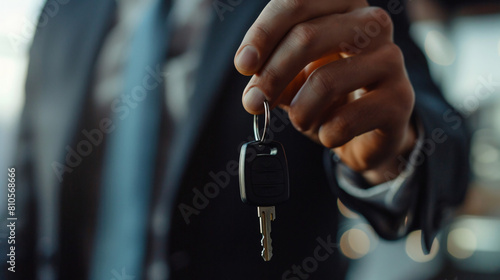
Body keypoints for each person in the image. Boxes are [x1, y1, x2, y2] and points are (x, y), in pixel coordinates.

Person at [4, 0, 469, 279]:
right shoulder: (63, 11)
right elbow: (21, 192)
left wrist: (393, 155)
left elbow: (444, 136)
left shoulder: (324, 6)